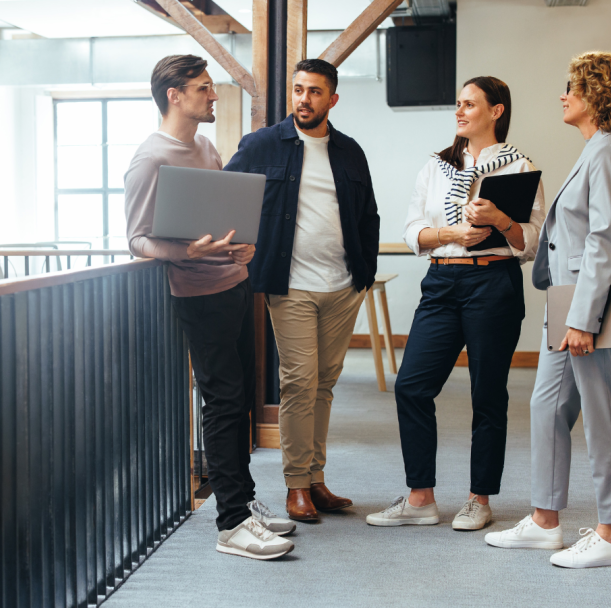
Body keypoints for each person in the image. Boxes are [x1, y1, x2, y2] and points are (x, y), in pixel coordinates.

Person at [124, 54, 295, 560]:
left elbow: (226, 215)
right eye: (203, 88)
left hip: (236, 283)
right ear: (174, 95)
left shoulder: (203, 145)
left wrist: (245, 246)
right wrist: (187, 253)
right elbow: (136, 239)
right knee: (222, 403)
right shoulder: (150, 158)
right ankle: (232, 524)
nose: (213, 95)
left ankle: (241, 503)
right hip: (198, 295)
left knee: (238, 401)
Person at [485, 52, 611, 569]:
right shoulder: (594, 151)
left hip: (591, 301)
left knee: (602, 417)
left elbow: (605, 240)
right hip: (567, 298)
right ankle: (543, 521)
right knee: (546, 407)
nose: (563, 95)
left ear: (598, 96)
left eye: (572, 87)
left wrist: (583, 317)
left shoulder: (610, 152)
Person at [367, 77, 544, 531]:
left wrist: (501, 219)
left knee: (487, 394)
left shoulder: (520, 167)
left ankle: (479, 499)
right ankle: (420, 497)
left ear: (497, 111)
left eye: (470, 104)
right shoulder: (436, 166)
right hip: (442, 281)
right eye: (458, 104)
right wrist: (451, 234)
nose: (460, 112)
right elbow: (413, 232)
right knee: (411, 385)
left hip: (493, 282)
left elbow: (532, 246)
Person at [224, 59, 380, 522]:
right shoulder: (261, 146)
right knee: (298, 384)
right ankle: (296, 486)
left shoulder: (349, 151)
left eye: (314, 92)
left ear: (332, 99)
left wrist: (363, 274)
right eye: (297, 90)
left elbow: (367, 215)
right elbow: (228, 198)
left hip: (342, 286)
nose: (303, 100)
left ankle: (316, 480)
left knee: (324, 386)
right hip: (290, 285)